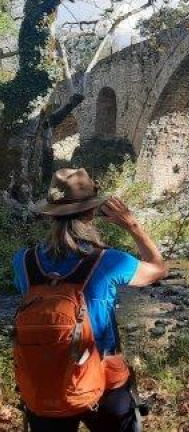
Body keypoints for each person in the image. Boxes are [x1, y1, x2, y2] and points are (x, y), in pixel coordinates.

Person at [12, 167, 168, 432]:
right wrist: (132, 225)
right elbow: (158, 269)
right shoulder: (109, 261)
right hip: (106, 382)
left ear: (52, 214)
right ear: (91, 213)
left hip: (44, 381)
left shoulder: (24, 262)